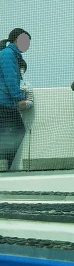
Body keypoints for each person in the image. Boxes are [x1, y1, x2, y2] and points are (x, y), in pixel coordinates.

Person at [0, 28, 32, 169]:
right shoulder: (8, 54)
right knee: (18, 130)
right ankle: (3, 163)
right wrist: (19, 98)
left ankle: (4, 163)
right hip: (4, 102)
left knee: (8, 131)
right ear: (15, 40)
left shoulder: (12, 54)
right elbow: (11, 79)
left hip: (6, 101)